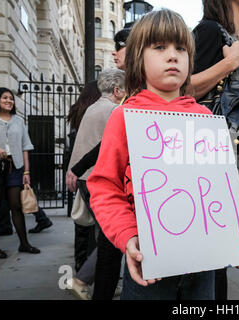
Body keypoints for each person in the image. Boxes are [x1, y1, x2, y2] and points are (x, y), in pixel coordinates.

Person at [87, 9, 239, 300]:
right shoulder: (125, 116)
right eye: (159, 47)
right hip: (149, 265)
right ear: (139, 59)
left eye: (181, 48)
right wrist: (127, 236)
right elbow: (104, 186)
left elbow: (218, 186)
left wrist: (235, 231)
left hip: (203, 267)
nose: (172, 55)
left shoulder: (205, 115)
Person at [191, 0, 239, 300]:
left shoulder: (230, 37)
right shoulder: (208, 32)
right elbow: (182, 91)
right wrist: (229, 64)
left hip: (235, 163)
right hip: (212, 168)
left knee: (219, 264)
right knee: (209, 265)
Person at [66, 27, 133, 301]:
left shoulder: (93, 107)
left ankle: (86, 278)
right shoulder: (115, 110)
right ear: (118, 90)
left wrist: (74, 170)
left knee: (103, 236)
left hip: (88, 178)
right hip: (100, 179)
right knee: (111, 236)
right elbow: (104, 148)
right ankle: (83, 278)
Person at [0, 87, 40, 259]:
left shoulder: (18, 121)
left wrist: (26, 171)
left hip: (15, 167)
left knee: (16, 206)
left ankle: (24, 243)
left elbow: (25, 146)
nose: (8, 101)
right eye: (4, 98)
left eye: (11, 98)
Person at [66, 80, 101, 273]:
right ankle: (87, 270)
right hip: (92, 170)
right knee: (100, 227)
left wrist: (73, 169)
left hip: (80, 170)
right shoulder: (100, 111)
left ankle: (81, 263)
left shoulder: (79, 111)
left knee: (82, 220)